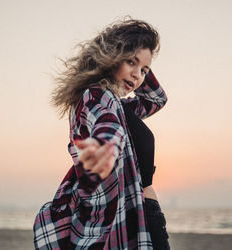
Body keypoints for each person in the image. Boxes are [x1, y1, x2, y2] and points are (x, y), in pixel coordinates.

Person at [33, 18, 170, 249]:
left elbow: (157, 99)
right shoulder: (95, 96)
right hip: (129, 212)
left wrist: (140, 60)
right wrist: (107, 145)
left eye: (144, 70)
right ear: (111, 56)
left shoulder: (120, 106)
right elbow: (107, 125)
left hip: (143, 212)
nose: (137, 75)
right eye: (130, 62)